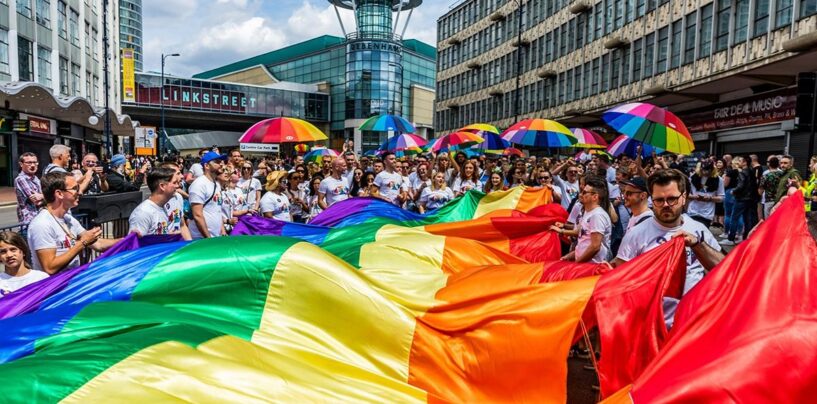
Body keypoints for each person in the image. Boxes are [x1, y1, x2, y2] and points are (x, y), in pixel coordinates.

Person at [613, 169, 724, 324]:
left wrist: (698, 245)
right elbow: (620, 283)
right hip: (653, 327)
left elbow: (724, 268)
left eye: (672, 199)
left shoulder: (699, 230)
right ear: (652, 199)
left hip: (694, 323)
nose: (666, 205)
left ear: (684, 198)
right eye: (659, 200)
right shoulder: (635, 235)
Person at [27, 172, 118, 274]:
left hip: (71, 282)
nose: (80, 193)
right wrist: (82, 243)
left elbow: (98, 244)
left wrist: (128, 239)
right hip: (55, 287)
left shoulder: (68, 219)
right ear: (59, 194)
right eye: (75, 188)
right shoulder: (42, 224)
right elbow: (50, 267)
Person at [558, 177, 612, 263]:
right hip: (584, 264)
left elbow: (595, 247)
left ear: (595, 197)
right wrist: (568, 256)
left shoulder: (597, 215)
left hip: (592, 267)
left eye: (584, 192)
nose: (580, 194)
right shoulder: (588, 213)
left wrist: (577, 264)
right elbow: (584, 242)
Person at [129, 167, 186, 238]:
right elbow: (136, 245)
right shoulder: (143, 213)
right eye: (174, 183)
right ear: (162, 186)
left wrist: (169, 237)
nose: (178, 186)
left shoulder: (163, 208)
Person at [188, 151, 227, 239]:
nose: (221, 164)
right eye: (217, 162)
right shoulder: (199, 184)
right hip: (201, 238)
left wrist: (223, 231)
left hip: (216, 236)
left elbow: (217, 210)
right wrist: (208, 238)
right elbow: (197, 215)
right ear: (206, 166)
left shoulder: (216, 184)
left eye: (221, 161)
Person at [0, 232, 48, 297]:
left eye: (13, 249)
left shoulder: (41, 278)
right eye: (3, 252)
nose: (9, 255)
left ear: (23, 251)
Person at [724, 157, 758, 245]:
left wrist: (733, 191)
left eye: (740, 160)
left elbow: (741, 185)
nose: (738, 162)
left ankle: (731, 238)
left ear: (745, 162)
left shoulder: (742, 173)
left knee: (734, 218)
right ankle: (745, 237)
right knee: (747, 219)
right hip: (750, 199)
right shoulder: (751, 171)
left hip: (741, 199)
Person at [159, 162, 192, 240]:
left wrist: (190, 244)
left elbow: (182, 225)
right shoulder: (149, 208)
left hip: (179, 247)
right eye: (178, 173)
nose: (182, 176)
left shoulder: (178, 197)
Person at [687, 160, 725, 228]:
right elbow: (686, 194)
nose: (705, 172)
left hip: (707, 214)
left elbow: (721, 198)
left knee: (702, 235)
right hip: (692, 211)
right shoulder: (693, 177)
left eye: (708, 170)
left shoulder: (718, 180)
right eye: (703, 170)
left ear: (712, 170)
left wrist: (710, 198)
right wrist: (694, 197)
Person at [15, 153, 44, 235]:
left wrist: (42, 196)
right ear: (21, 164)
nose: (33, 165)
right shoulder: (21, 179)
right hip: (28, 224)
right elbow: (36, 201)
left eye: (35, 162)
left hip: (39, 220)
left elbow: (41, 198)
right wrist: (47, 197)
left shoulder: (36, 179)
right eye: (29, 163)